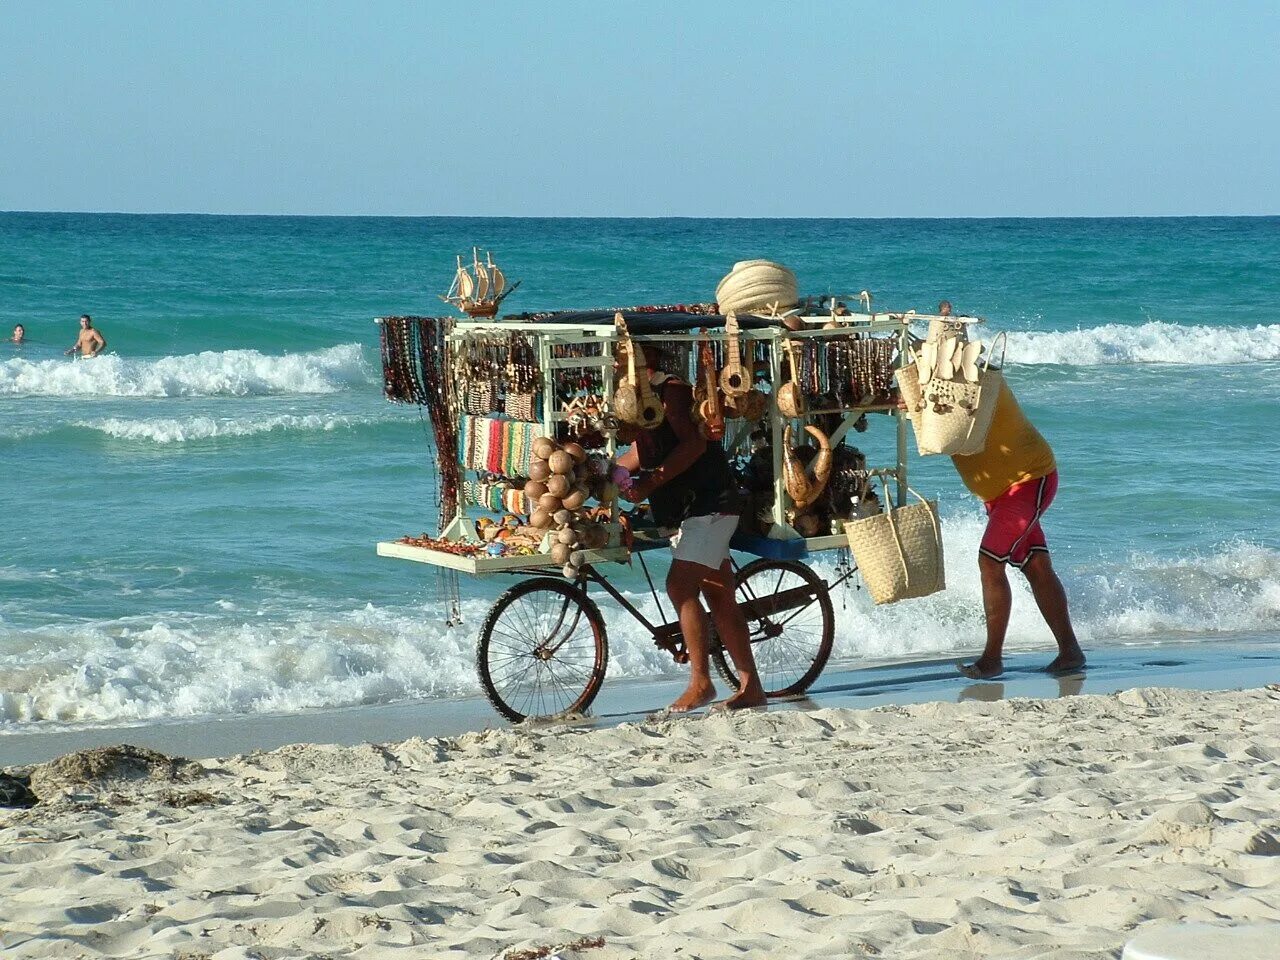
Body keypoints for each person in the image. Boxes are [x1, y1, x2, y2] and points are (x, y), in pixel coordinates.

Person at [928, 301, 1085, 679]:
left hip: (1028, 480)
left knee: (989, 561)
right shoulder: (939, 390)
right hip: (999, 495)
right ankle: (1071, 653)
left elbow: (951, 413)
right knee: (1036, 566)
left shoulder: (980, 381)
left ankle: (992, 659)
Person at [613, 342, 767, 712]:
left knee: (679, 586)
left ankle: (701, 682)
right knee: (720, 596)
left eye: (621, 355)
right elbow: (644, 449)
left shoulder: (673, 392)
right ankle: (752, 688)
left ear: (641, 358)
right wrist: (613, 471)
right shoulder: (639, 397)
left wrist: (649, 483)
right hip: (688, 509)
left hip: (710, 503)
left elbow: (695, 445)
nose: (617, 363)